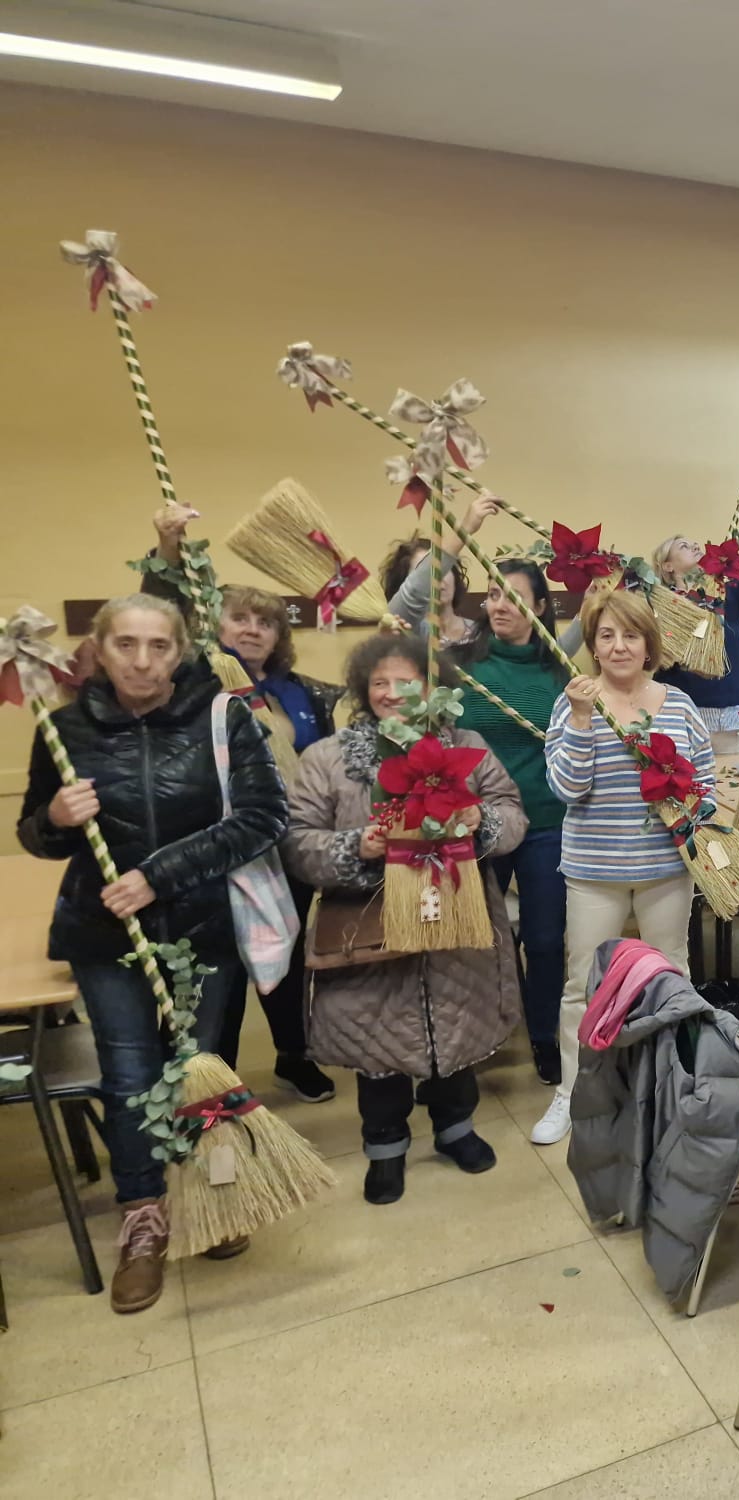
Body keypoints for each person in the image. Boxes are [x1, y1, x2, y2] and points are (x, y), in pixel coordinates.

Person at [18, 595, 288, 1310]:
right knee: (132, 1073)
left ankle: (214, 1195)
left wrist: (158, 876)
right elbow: (34, 836)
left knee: (199, 1067)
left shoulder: (222, 718)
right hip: (103, 934)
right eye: (127, 645)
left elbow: (264, 817)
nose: (143, 661)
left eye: (159, 646)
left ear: (182, 650)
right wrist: (53, 818)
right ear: (99, 650)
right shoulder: (64, 727)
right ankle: (143, 1216)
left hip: (203, 928)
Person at [282, 636, 525, 1204]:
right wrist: (356, 847)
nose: (393, 694)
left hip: (456, 916)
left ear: (431, 684)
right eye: (379, 684)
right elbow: (296, 843)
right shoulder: (330, 758)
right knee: (378, 1042)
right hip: (369, 922)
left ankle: (455, 1129)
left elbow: (513, 814)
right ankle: (385, 1148)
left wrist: (479, 820)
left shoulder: (466, 745)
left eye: (406, 681)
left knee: (455, 1027)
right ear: (363, 692)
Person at [145, 502, 340, 1102]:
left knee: (286, 955)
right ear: (212, 627)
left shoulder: (303, 693)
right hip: (224, 847)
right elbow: (162, 612)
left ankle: (293, 1055)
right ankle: (216, 1077)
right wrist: (169, 551)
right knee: (223, 966)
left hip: (291, 844)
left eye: (266, 621)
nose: (253, 629)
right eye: (239, 618)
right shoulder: (199, 683)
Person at [532, 588, 715, 1145]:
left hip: (665, 867)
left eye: (630, 635)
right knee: (582, 985)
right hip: (593, 869)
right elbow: (567, 787)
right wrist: (584, 719)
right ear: (592, 644)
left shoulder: (678, 705)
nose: (618, 646)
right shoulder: (572, 704)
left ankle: (674, 1085)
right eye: (606, 636)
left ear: (648, 643)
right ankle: (572, 1091)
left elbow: (706, 785)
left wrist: (686, 801)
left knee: (670, 978)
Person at [448, 558, 572, 1086]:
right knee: (480, 938)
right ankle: (484, 1032)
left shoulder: (559, 669)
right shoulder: (458, 665)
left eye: (514, 597)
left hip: (546, 819)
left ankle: (544, 1034)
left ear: (540, 608)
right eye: (493, 594)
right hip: (481, 823)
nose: (499, 605)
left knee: (545, 939)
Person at [653, 497, 739, 756]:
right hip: (677, 713)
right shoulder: (658, 602)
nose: (695, 546)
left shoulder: (727, 591)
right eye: (684, 546)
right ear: (667, 565)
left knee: (726, 787)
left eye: (694, 543)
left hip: (726, 714)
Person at [382, 495, 501, 647]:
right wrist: (464, 529)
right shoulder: (404, 629)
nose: (438, 578)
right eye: (424, 571)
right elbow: (414, 592)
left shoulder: (483, 632)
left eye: (445, 569)